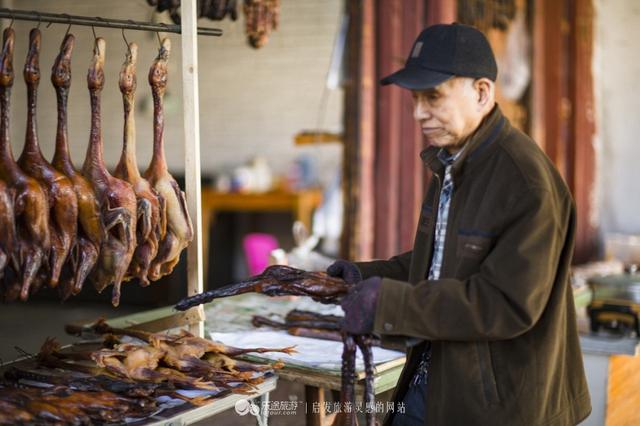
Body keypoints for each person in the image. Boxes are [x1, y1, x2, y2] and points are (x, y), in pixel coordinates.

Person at [328, 23, 591, 426]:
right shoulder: (452, 162)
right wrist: (362, 277)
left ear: (482, 92)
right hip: (434, 378)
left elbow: (505, 304)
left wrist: (388, 303)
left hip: (499, 405)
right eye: (415, 98)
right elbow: (440, 264)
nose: (418, 113)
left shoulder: (525, 182)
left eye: (433, 96)